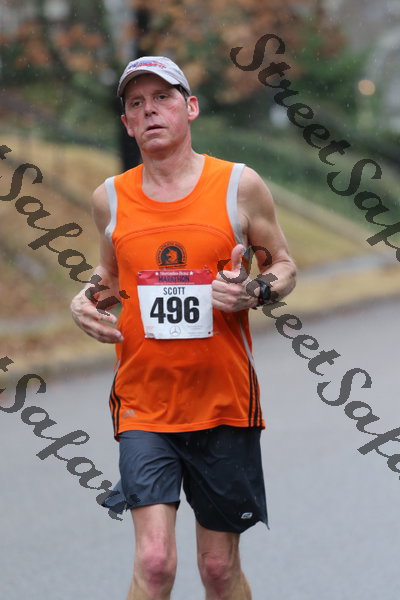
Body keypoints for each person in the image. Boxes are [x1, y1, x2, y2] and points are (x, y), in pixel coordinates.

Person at [70, 56, 296, 600]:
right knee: (154, 563)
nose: (150, 110)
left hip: (223, 403)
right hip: (144, 404)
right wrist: (85, 299)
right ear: (127, 123)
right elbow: (111, 275)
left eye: (163, 97)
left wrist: (254, 291)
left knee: (218, 568)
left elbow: (284, 266)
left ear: (190, 107)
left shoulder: (239, 185)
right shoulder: (110, 198)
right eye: (136, 103)